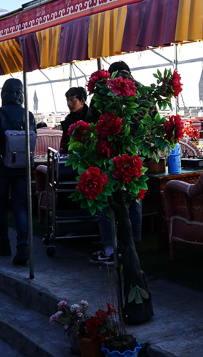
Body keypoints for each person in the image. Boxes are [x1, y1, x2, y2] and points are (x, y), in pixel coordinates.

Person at [87, 61, 142, 266]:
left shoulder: (103, 92)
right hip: (135, 155)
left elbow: (91, 122)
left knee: (106, 201)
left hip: (107, 155)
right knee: (134, 199)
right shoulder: (142, 90)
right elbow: (152, 121)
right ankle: (133, 247)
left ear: (110, 75)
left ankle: (110, 248)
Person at [0, 78, 36, 266]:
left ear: (4, 93)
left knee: (1, 206)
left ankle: (4, 245)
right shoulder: (28, 115)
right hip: (22, 167)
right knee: (20, 207)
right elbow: (32, 142)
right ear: (21, 94)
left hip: (0, 167)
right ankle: (23, 247)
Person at [59, 86, 90, 155]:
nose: (69, 104)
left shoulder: (90, 117)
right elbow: (64, 142)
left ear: (82, 101)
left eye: (72, 100)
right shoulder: (68, 120)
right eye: (67, 101)